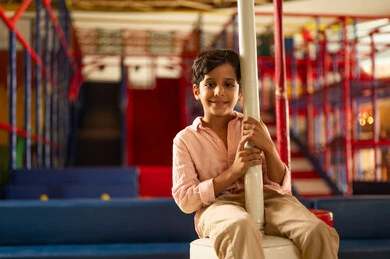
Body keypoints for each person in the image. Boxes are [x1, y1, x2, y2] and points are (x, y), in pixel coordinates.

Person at [171, 49, 339, 259]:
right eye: (210, 84)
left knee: (318, 232)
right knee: (239, 226)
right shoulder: (185, 140)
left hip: (267, 199)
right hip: (218, 206)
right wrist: (233, 173)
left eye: (229, 84)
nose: (219, 92)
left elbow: (281, 187)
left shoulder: (253, 126)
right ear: (197, 91)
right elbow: (186, 201)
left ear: (240, 92)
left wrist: (268, 148)